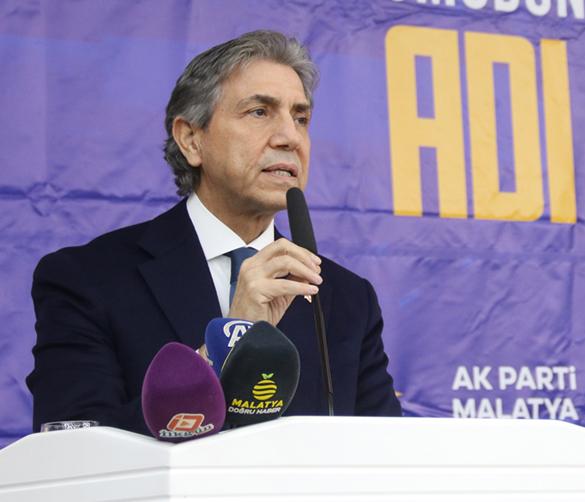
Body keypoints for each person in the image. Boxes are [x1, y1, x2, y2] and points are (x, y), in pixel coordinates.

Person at [27, 30, 402, 435]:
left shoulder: (346, 299)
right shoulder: (88, 280)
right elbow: (77, 446)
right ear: (191, 139)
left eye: (301, 118)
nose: (290, 137)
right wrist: (229, 341)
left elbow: (385, 452)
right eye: (259, 112)